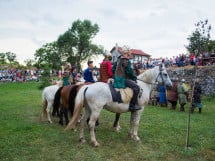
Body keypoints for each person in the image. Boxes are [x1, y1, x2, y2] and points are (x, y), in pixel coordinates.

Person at [112, 45, 141, 111]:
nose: (129, 54)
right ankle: (132, 106)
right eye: (129, 52)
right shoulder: (127, 61)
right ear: (127, 53)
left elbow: (113, 69)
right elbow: (129, 72)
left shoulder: (118, 60)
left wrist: (115, 76)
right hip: (123, 80)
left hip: (116, 79)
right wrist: (134, 77)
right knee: (137, 88)